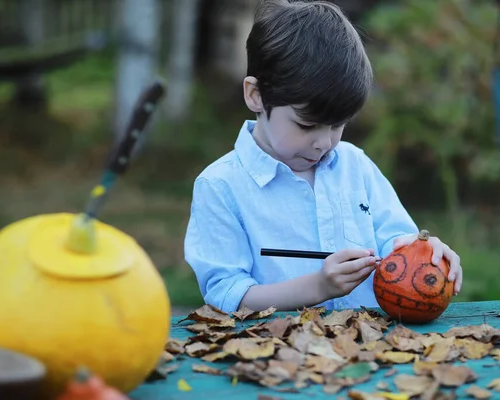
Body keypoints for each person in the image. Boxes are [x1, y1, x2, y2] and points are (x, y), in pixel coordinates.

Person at [184, 0, 463, 313]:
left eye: (337, 125)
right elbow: (226, 294)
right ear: (256, 95)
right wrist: (318, 287)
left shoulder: (355, 166)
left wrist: (424, 253)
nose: (323, 142)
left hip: (374, 351)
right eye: (306, 125)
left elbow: (396, 242)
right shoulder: (220, 186)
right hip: (275, 354)